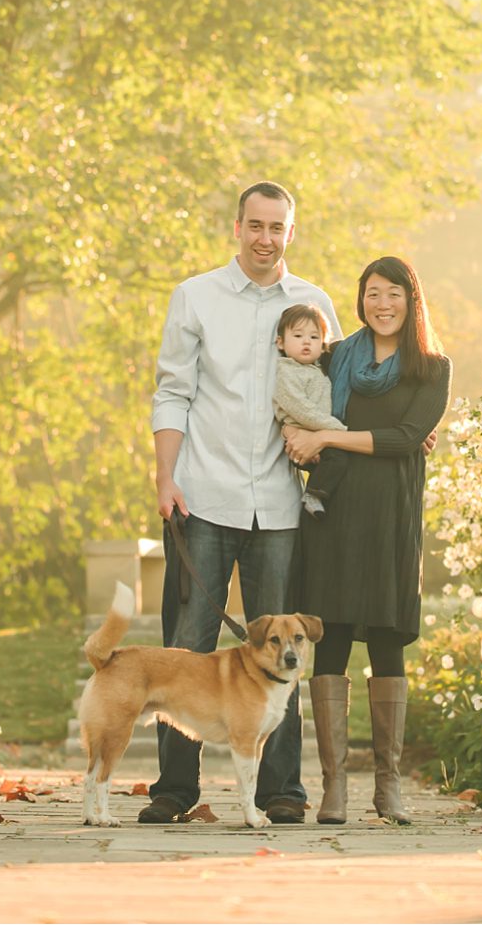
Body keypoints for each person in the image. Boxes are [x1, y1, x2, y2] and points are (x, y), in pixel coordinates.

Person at [145, 181, 340, 825]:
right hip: (203, 496)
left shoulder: (314, 304)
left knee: (282, 652)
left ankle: (281, 791)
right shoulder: (194, 296)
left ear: (291, 232)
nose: (264, 238)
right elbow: (173, 391)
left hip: (281, 506)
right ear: (237, 228)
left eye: (276, 227)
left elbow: (335, 393)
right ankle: (174, 791)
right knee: (186, 648)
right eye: (254, 225)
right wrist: (165, 477)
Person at [281, 255, 451, 826]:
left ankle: (388, 787)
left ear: (412, 299)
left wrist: (329, 438)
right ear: (361, 300)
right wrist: (296, 432)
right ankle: (333, 789)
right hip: (332, 509)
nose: (383, 304)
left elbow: (407, 437)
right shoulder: (335, 357)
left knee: (385, 642)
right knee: (327, 639)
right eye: (373, 294)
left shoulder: (432, 367)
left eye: (394, 294)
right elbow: (293, 392)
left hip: (391, 516)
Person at [269, 303, 347, 516]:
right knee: (338, 457)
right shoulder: (288, 372)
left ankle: (320, 497)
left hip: (318, 433)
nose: (306, 342)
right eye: (298, 336)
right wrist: (336, 430)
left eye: (314, 337)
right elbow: (300, 409)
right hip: (299, 436)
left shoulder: (318, 370)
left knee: (338, 463)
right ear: (281, 342)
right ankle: (313, 495)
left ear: (323, 346)